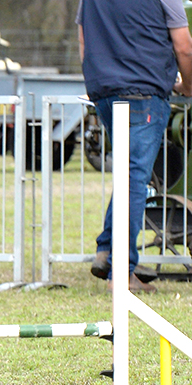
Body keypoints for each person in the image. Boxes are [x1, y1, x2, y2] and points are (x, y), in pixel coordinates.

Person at [77, 0, 192, 293]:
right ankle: (122, 272)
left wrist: (96, 82)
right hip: (144, 92)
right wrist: (188, 86)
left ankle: (107, 248)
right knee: (135, 180)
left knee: (129, 176)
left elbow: (83, 39)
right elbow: (183, 46)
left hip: (103, 90)